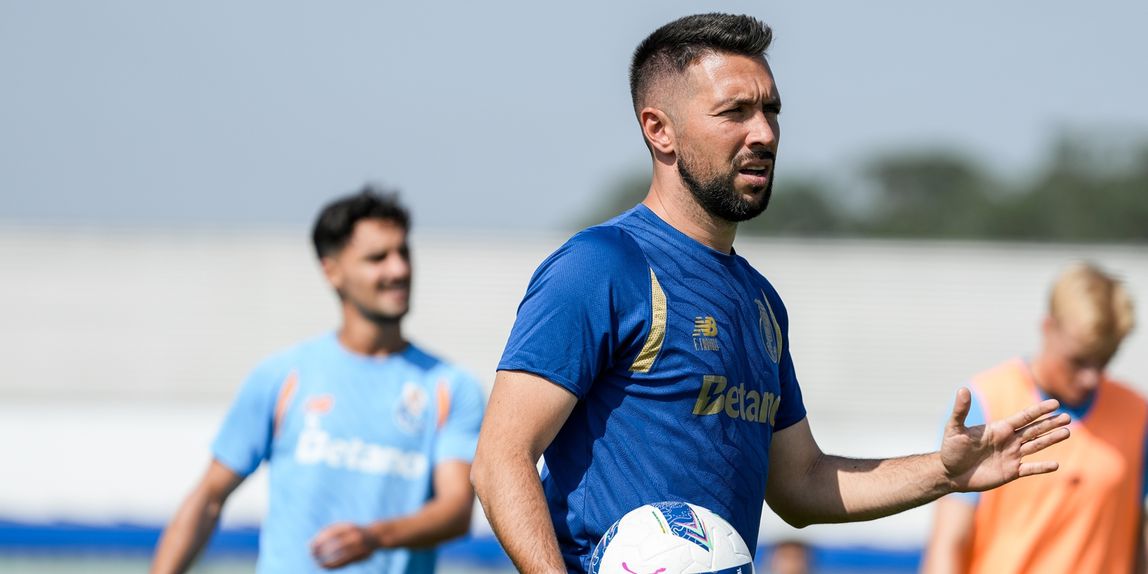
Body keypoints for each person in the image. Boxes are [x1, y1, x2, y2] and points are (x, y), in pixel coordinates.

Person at [469, 13, 1073, 574]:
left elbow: (801, 484)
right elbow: (500, 462)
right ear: (660, 130)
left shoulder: (760, 302)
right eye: (734, 111)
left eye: (771, 110)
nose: (763, 133)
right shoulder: (603, 265)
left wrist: (943, 472)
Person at [151, 188, 485, 573]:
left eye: (403, 253)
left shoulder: (450, 387)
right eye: (377, 258)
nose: (398, 270)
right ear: (332, 271)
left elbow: (456, 510)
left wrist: (375, 537)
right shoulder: (282, 377)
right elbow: (209, 498)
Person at [920, 262, 1143, 574]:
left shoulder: (1138, 414)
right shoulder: (987, 400)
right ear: (1048, 327)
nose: (1091, 378)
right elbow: (948, 544)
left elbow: (1139, 541)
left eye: (1104, 361)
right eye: (1078, 361)